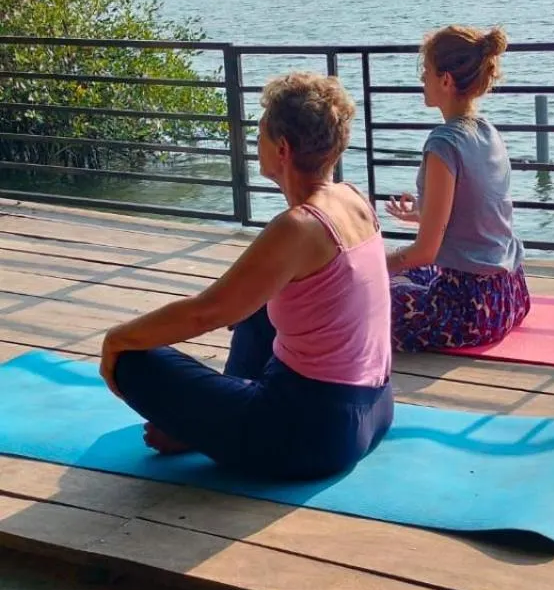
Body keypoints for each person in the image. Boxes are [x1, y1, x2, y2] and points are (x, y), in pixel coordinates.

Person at [100, 73, 393, 479]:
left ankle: (208, 428)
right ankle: (208, 428)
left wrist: (116, 340)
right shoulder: (353, 197)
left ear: (282, 149)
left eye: (260, 134)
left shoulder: (299, 226)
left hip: (313, 435)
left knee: (132, 361)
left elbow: (206, 313)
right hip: (374, 410)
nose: (256, 144)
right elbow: (236, 306)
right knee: (257, 310)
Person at [386, 24, 529, 353]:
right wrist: (423, 216)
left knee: (363, 298)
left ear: (446, 80)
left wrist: (374, 267)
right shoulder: (488, 131)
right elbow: (477, 212)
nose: (422, 79)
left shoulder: (443, 143)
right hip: (510, 294)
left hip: (468, 310)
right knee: (408, 273)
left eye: (426, 72)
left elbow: (425, 251)